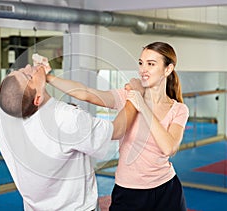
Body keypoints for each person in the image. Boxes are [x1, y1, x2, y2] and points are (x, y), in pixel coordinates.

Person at [0, 54, 137, 211]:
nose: (26, 67)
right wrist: (134, 96)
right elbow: (118, 129)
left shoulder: (0, 113)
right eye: (27, 75)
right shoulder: (67, 118)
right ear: (37, 98)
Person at [46, 41, 189, 211]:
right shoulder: (126, 97)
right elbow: (85, 93)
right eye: (141, 63)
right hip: (128, 190)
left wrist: (141, 105)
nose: (143, 69)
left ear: (168, 69)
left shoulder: (178, 109)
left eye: (151, 64)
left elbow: (169, 148)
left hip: (167, 189)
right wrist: (48, 77)